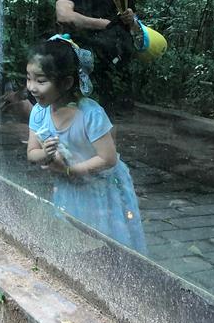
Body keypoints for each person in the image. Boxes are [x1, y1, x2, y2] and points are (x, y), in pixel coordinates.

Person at [25, 35, 147, 254]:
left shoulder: (90, 114)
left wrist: (70, 169)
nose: (32, 87)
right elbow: (32, 153)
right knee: (74, 238)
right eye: (29, 78)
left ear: (66, 82)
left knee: (110, 242)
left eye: (41, 81)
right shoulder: (39, 112)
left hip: (101, 189)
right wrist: (45, 154)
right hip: (70, 187)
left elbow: (108, 158)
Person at [55, 0, 142, 113]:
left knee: (112, 117)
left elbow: (132, 23)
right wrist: (105, 24)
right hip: (78, 62)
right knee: (76, 114)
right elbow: (64, 15)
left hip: (114, 64)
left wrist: (129, 19)